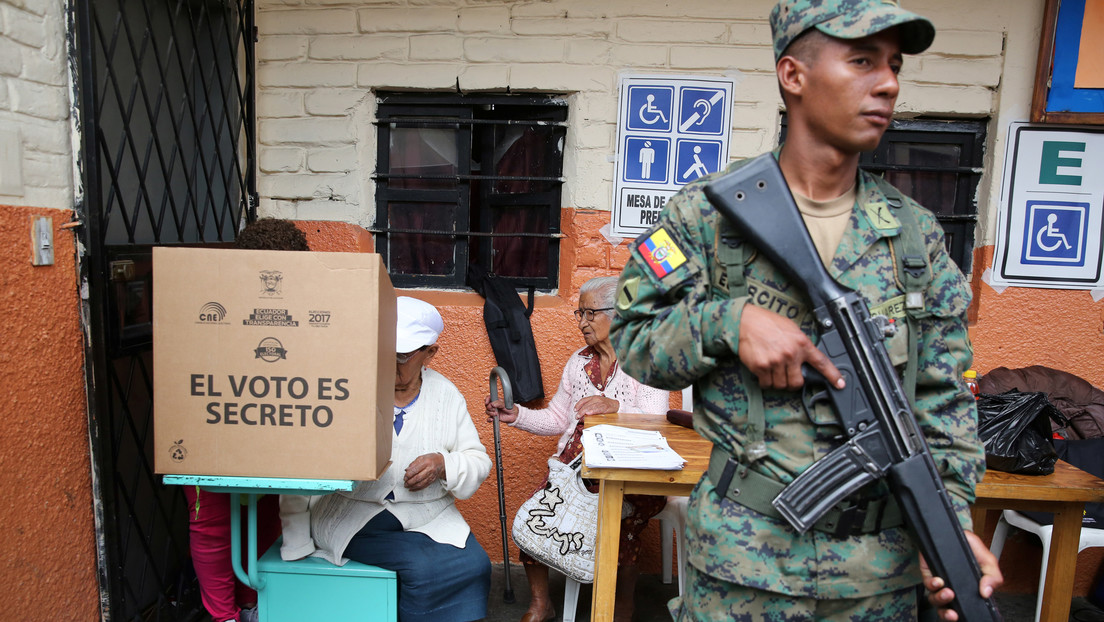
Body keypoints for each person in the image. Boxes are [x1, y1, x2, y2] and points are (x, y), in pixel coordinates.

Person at [609, 1, 1003, 620]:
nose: (889, 83)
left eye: (895, 65)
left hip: (880, 579)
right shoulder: (706, 216)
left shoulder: (914, 236)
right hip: (744, 572)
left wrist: (947, 532)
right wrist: (727, 321)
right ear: (793, 75)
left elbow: (943, 404)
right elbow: (631, 338)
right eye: (862, 61)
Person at [280, 296, 493, 622]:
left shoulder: (445, 393)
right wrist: (296, 543)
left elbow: (478, 459)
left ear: (429, 353)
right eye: (383, 352)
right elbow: (300, 460)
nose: (390, 364)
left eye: (403, 356)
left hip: (427, 516)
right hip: (353, 516)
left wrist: (443, 464)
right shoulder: (346, 389)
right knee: (420, 567)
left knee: (475, 564)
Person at [485, 276, 669, 622]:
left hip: (631, 470)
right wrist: (517, 415)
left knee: (619, 529)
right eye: (579, 313)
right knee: (535, 516)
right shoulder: (579, 361)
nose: (582, 322)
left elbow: (656, 420)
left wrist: (614, 407)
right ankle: (542, 603)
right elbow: (557, 418)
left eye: (590, 313)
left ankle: (622, 608)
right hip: (574, 470)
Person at [183, 218, 308, 622]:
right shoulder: (207, 305)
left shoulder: (308, 307)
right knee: (213, 521)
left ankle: (251, 604)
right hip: (211, 427)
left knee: (262, 516)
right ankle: (225, 616)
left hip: (272, 427)